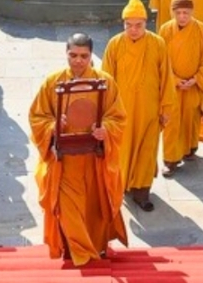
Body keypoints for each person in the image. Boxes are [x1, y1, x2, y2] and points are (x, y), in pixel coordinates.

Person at [29, 33, 128, 266]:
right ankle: (81, 254)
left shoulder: (105, 82)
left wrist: (106, 130)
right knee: (68, 210)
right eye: (73, 55)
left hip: (94, 160)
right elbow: (37, 117)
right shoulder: (53, 82)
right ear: (66, 53)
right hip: (65, 163)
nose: (78, 61)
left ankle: (93, 249)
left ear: (91, 55)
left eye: (84, 56)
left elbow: (118, 117)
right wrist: (53, 126)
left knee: (94, 208)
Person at [101, 0, 177, 212]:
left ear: (146, 23)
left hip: (149, 110)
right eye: (129, 25)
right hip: (122, 111)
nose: (133, 30)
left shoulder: (157, 43)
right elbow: (106, 79)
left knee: (146, 150)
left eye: (138, 25)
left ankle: (142, 191)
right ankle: (122, 184)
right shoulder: (115, 44)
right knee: (122, 150)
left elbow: (166, 78)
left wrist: (166, 108)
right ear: (123, 24)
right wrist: (106, 111)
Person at [158, 0, 203, 176]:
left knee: (191, 118)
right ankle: (170, 160)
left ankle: (190, 148)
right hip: (172, 85)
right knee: (171, 121)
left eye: (186, 13)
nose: (182, 16)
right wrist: (174, 80)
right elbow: (161, 60)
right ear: (172, 12)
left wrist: (196, 79)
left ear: (192, 12)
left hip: (193, 84)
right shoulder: (165, 30)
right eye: (178, 13)